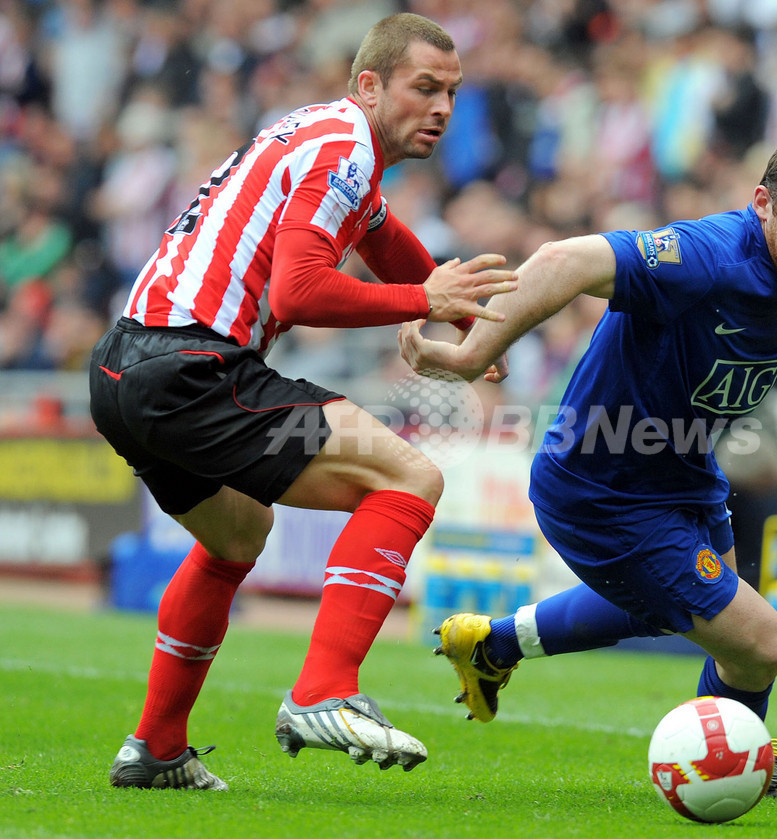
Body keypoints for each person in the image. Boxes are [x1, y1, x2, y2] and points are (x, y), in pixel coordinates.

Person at [89, 13, 517, 790]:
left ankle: (155, 748)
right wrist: (423, 295)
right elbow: (300, 288)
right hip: (194, 365)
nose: (443, 107)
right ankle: (323, 689)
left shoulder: (323, 137)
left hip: (123, 369)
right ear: (369, 83)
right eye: (425, 88)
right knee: (408, 477)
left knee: (237, 535)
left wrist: (456, 314)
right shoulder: (347, 145)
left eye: (453, 92)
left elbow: (382, 237)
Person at [400, 131, 777, 800]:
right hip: (603, 484)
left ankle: (492, 646)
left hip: (682, 471)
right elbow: (564, 260)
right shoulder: (703, 256)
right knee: (758, 641)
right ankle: (734, 762)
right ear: (763, 203)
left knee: (695, 617)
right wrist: (474, 356)